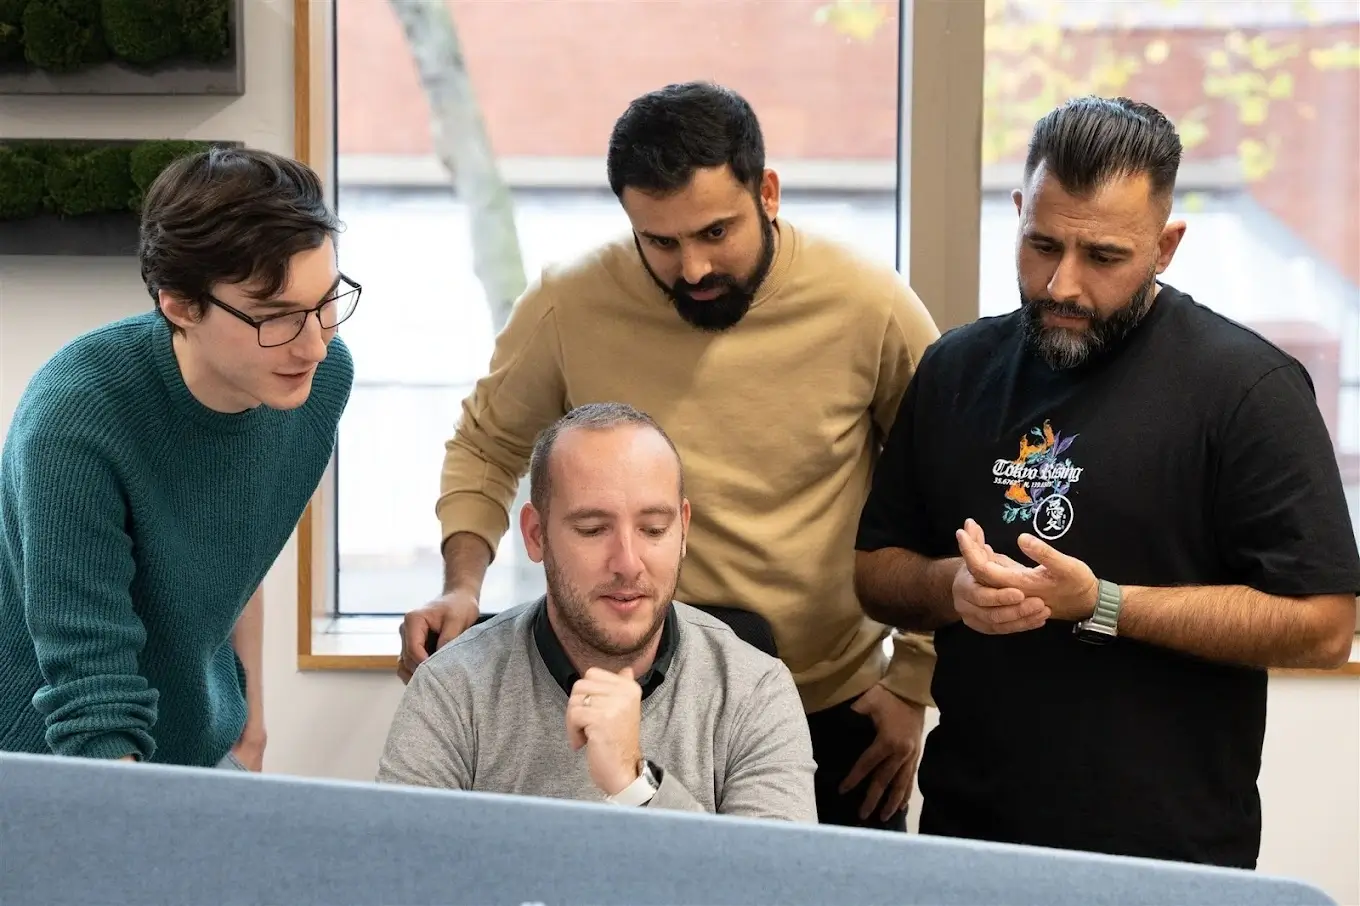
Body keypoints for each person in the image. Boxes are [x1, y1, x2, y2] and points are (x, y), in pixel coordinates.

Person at [397, 81, 941, 829]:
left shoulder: (869, 304)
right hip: (628, 690)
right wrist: (462, 585)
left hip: (832, 700)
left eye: (716, 232)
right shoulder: (569, 305)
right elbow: (486, 446)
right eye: (660, 242)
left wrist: (914, 677)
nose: (693, 269)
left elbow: (942, 479)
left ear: (768, 193)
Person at [853, 95, 1360, 868]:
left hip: (1170, 857)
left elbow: (1324, 626)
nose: (1063, 285)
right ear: (1019, 213)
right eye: (1042, 245)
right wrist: (950, 587)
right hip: (968, 838)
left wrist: (1103, 604)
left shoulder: (1245, 389)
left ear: (1166, 246)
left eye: (1103, 257)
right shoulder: (956, 368)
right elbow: (875, 572)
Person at [0, 147, 358, 770]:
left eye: (326, 303)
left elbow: (238, 552)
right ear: (181, 305)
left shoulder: (317, 383)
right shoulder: (75, 418)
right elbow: (92, 695)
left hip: (199, 743)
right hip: (49, 760)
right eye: (275, 317)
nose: (314, 346)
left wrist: (251, 722)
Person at [378, 403, 817, 821]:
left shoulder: (754, 690)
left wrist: (635, 782)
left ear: (683, 530)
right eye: (592, 529)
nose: (628, 562)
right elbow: (392, 868)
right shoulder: (453, 689)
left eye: (653, 529)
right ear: (536, 535)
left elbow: (778, 875)